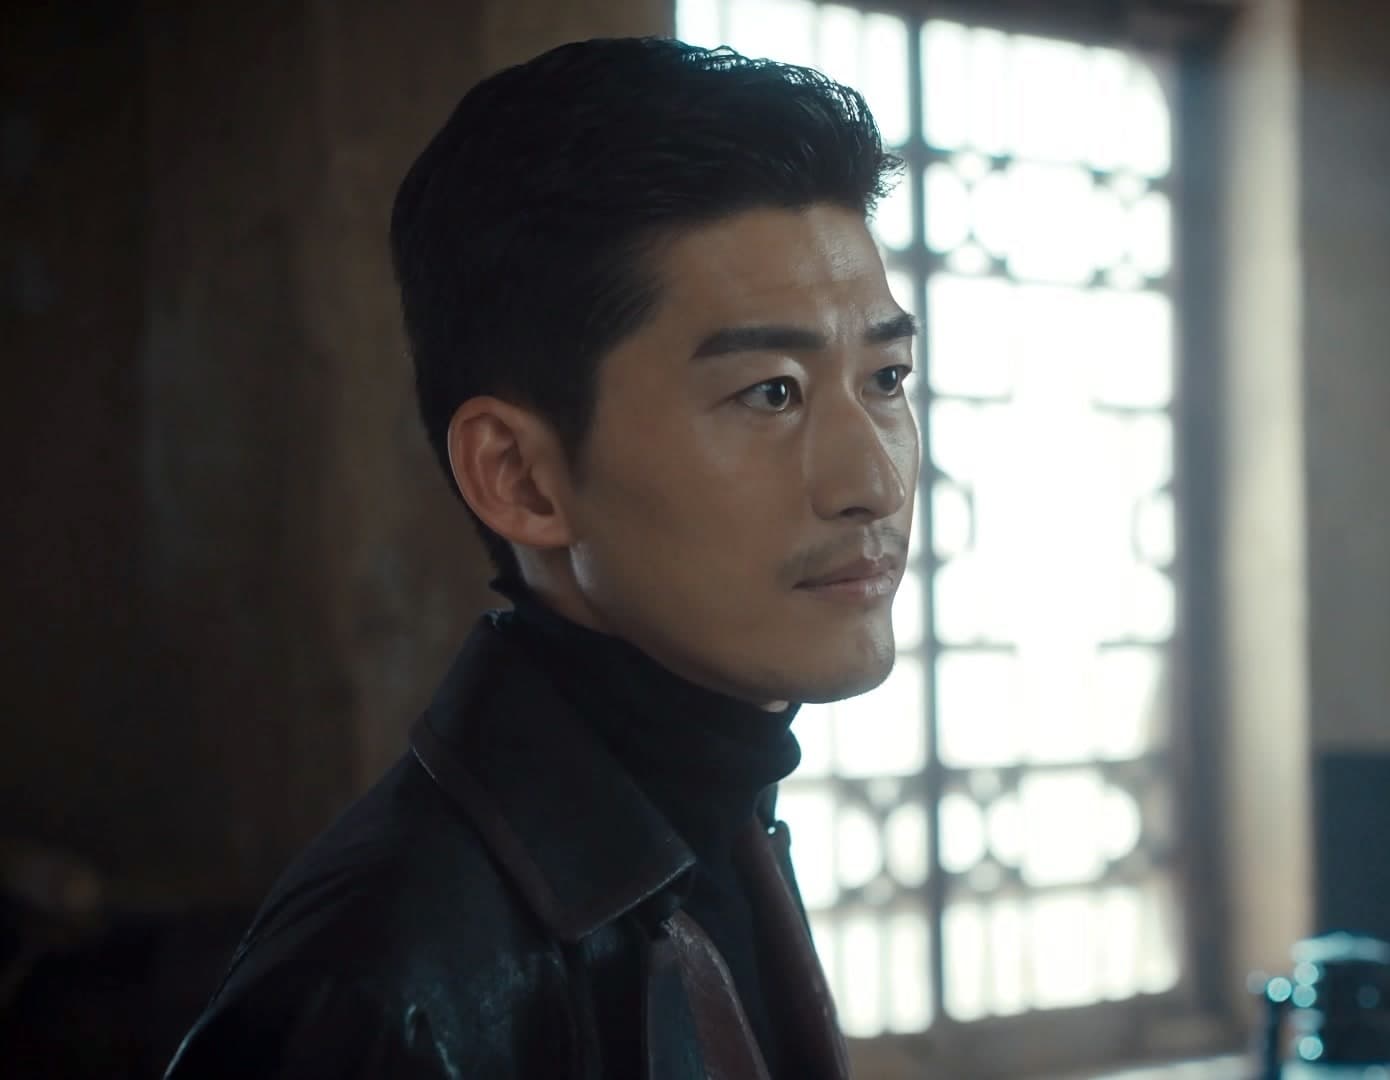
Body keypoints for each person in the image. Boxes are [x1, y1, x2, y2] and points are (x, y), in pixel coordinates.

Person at [165, 36, 915, 1079]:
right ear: (518, 476)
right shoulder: (379, 991)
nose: (873, 481)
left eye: (887, 378)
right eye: (771, 392)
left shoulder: (720, 823)